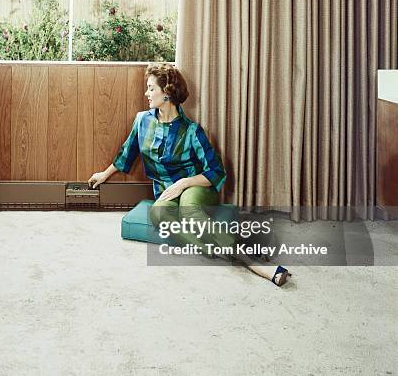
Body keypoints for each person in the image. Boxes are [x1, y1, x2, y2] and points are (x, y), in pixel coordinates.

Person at [88, 64, 291, 287]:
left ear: (167, 92)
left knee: (189, 212)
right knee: (159, 215)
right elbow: (127, 154)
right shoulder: (142, 121)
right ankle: (244, 245)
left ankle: (252, 263)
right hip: (165, 191)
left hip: (197, 187)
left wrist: (184, 183)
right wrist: (104, 175)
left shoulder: (191, 130)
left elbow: (216, 171)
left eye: (150, 88)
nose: (146, 94)